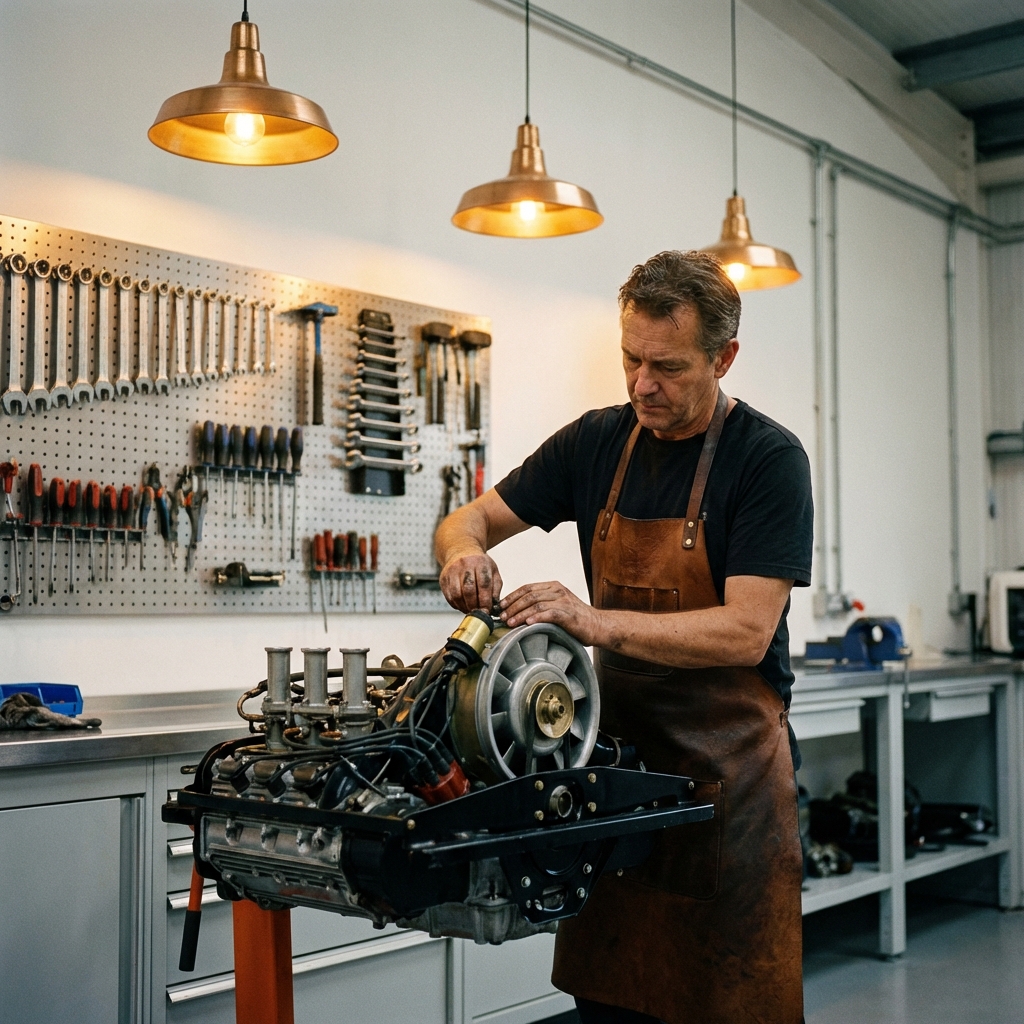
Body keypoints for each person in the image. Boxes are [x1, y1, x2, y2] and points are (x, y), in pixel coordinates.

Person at [435, 250, 812, 1024]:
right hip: (614, 783)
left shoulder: (768, 460)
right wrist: (463, 553)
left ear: (723, 357)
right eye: (630, 360)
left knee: (731, 1003)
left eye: (667, 367)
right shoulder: (596, 443)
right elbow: (465, 518)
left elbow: (746, 631)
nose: (643, 384)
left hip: (728, 785)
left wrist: (591, 620)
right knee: (608, 1000)